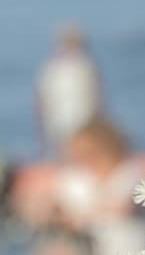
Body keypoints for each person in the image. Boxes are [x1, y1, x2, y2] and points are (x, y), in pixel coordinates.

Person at [35, 24, 103, 156]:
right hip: (73, 123)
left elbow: (41, 102)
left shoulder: (52, 68)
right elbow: (97, 96)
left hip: (68, 124)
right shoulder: (85, 66)